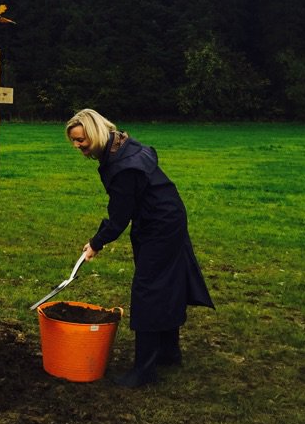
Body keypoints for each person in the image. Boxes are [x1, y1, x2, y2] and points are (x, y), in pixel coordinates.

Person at [66, 108, 214, 388]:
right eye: (73, 141)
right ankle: (169, 353)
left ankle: (144, 371)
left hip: (160, 224)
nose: (77, 146)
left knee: (148, 289)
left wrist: (96, 243)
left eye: (80, 140)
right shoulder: (121, 145)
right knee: (166, 284)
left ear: (95, 133)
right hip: (166, 217)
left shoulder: (123, 166)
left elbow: (120, 216)